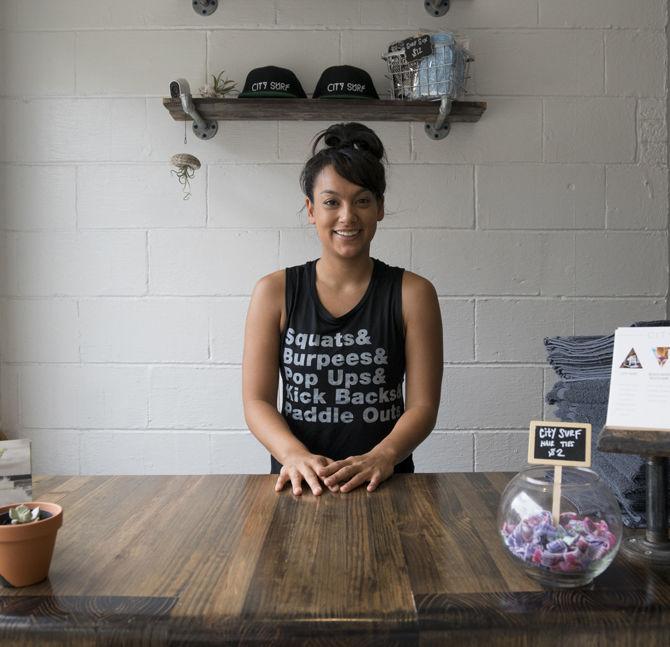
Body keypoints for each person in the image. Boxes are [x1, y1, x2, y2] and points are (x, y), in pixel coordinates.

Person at [242, 122, 443, 496]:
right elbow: (256, 402)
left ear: (380, 207)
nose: (347, 216)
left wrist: (384, 455)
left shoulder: (413, 294)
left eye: (362, 200)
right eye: (332, 201)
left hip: (387, 485)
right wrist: (293, 455)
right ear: (311, 209)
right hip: (299, 485)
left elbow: (423, 406)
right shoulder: (273, 292)